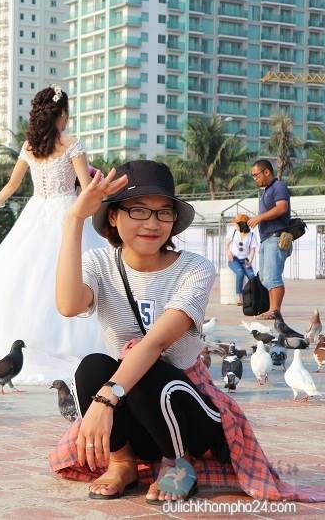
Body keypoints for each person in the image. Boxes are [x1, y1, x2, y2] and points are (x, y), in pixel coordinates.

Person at [48, 160, 321, 505]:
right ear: (114, 216)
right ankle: (122, 462)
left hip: (189, 413)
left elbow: (157, 342)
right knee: (92, 366)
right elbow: (68, 305)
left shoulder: (194, 268)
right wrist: (74, 220)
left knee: (145, 367)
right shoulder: (100, 263)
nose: (153, 223)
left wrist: (105, 399)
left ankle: (179, 464)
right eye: (138, 210)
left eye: (164, 213)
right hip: (134, 412)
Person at [0, 85, 106, 384]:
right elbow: (86, 187)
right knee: (74, 273)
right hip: (67, 212)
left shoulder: (30, 147)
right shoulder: (72, 144)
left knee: (24, 278)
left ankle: (17, 344)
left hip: (35, 214)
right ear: (63, 114)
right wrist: (103, 188)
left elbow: (12, 185)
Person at [247, 159, 292, 320]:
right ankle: (272, 309)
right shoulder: (267, 190)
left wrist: (259, 218)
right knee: (265, 277)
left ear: (266, 172)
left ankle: (275, 310)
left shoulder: (278, 187)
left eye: (256, 175)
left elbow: (282, 208)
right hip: (267, 239)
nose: (255, 178)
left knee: (273, 276)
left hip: (276, 237)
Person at [225, 214, 257, 306]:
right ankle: (239, 298)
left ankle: (253, 297)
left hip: (245, 260)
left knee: (252, 276)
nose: (235, 226)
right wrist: (228, 252)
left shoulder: (251, 235)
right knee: (240, 273)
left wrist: (250, 260)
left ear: (242, 224)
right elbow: (226, 244)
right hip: (234, 260)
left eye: (236, 224)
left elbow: (252, 250)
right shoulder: (233, 232)